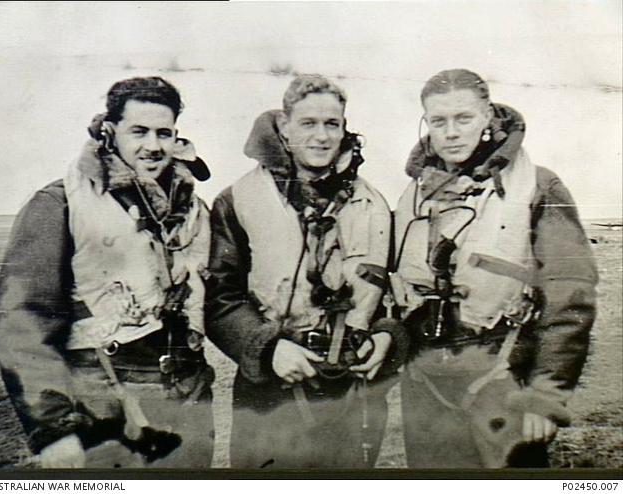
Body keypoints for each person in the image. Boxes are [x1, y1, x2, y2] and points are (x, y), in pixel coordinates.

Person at [0, 76, 215, 468]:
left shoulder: (193, 211)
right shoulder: (60, 204)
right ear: (110, 132)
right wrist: (55, 428)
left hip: (185, 405)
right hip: (103, 412)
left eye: (164, 133)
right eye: (139, 131)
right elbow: (22, 322)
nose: (153, 145)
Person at [389, 68, 598, 468]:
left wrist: (545, 396)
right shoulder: (413, 196)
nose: (451, 132)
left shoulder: (539, 187)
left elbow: (571, 296)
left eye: (463, 118)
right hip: (425, 384)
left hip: (502, 379)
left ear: (487, 117)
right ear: (426, 124)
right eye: (439, 121)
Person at [206, 74, 407, 468]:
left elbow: (391, 291)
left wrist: (385, 336)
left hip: (353, 390)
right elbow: (219, 297)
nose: (321, 136)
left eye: (332, 124)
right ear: (284, 126)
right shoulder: (239, 200)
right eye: (308, 124)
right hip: (272, 390)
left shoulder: (373, 203)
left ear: (344, 128)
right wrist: (268, 350)